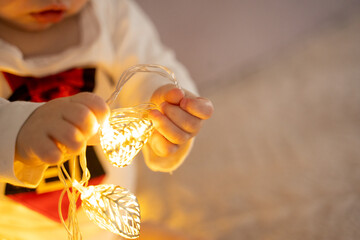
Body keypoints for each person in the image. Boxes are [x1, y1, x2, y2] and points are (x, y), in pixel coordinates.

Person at [0, 0, 213, 239]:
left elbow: (150, 66)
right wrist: (19, 129)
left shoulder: (111, 13)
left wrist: (167, 107)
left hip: (105, 230)